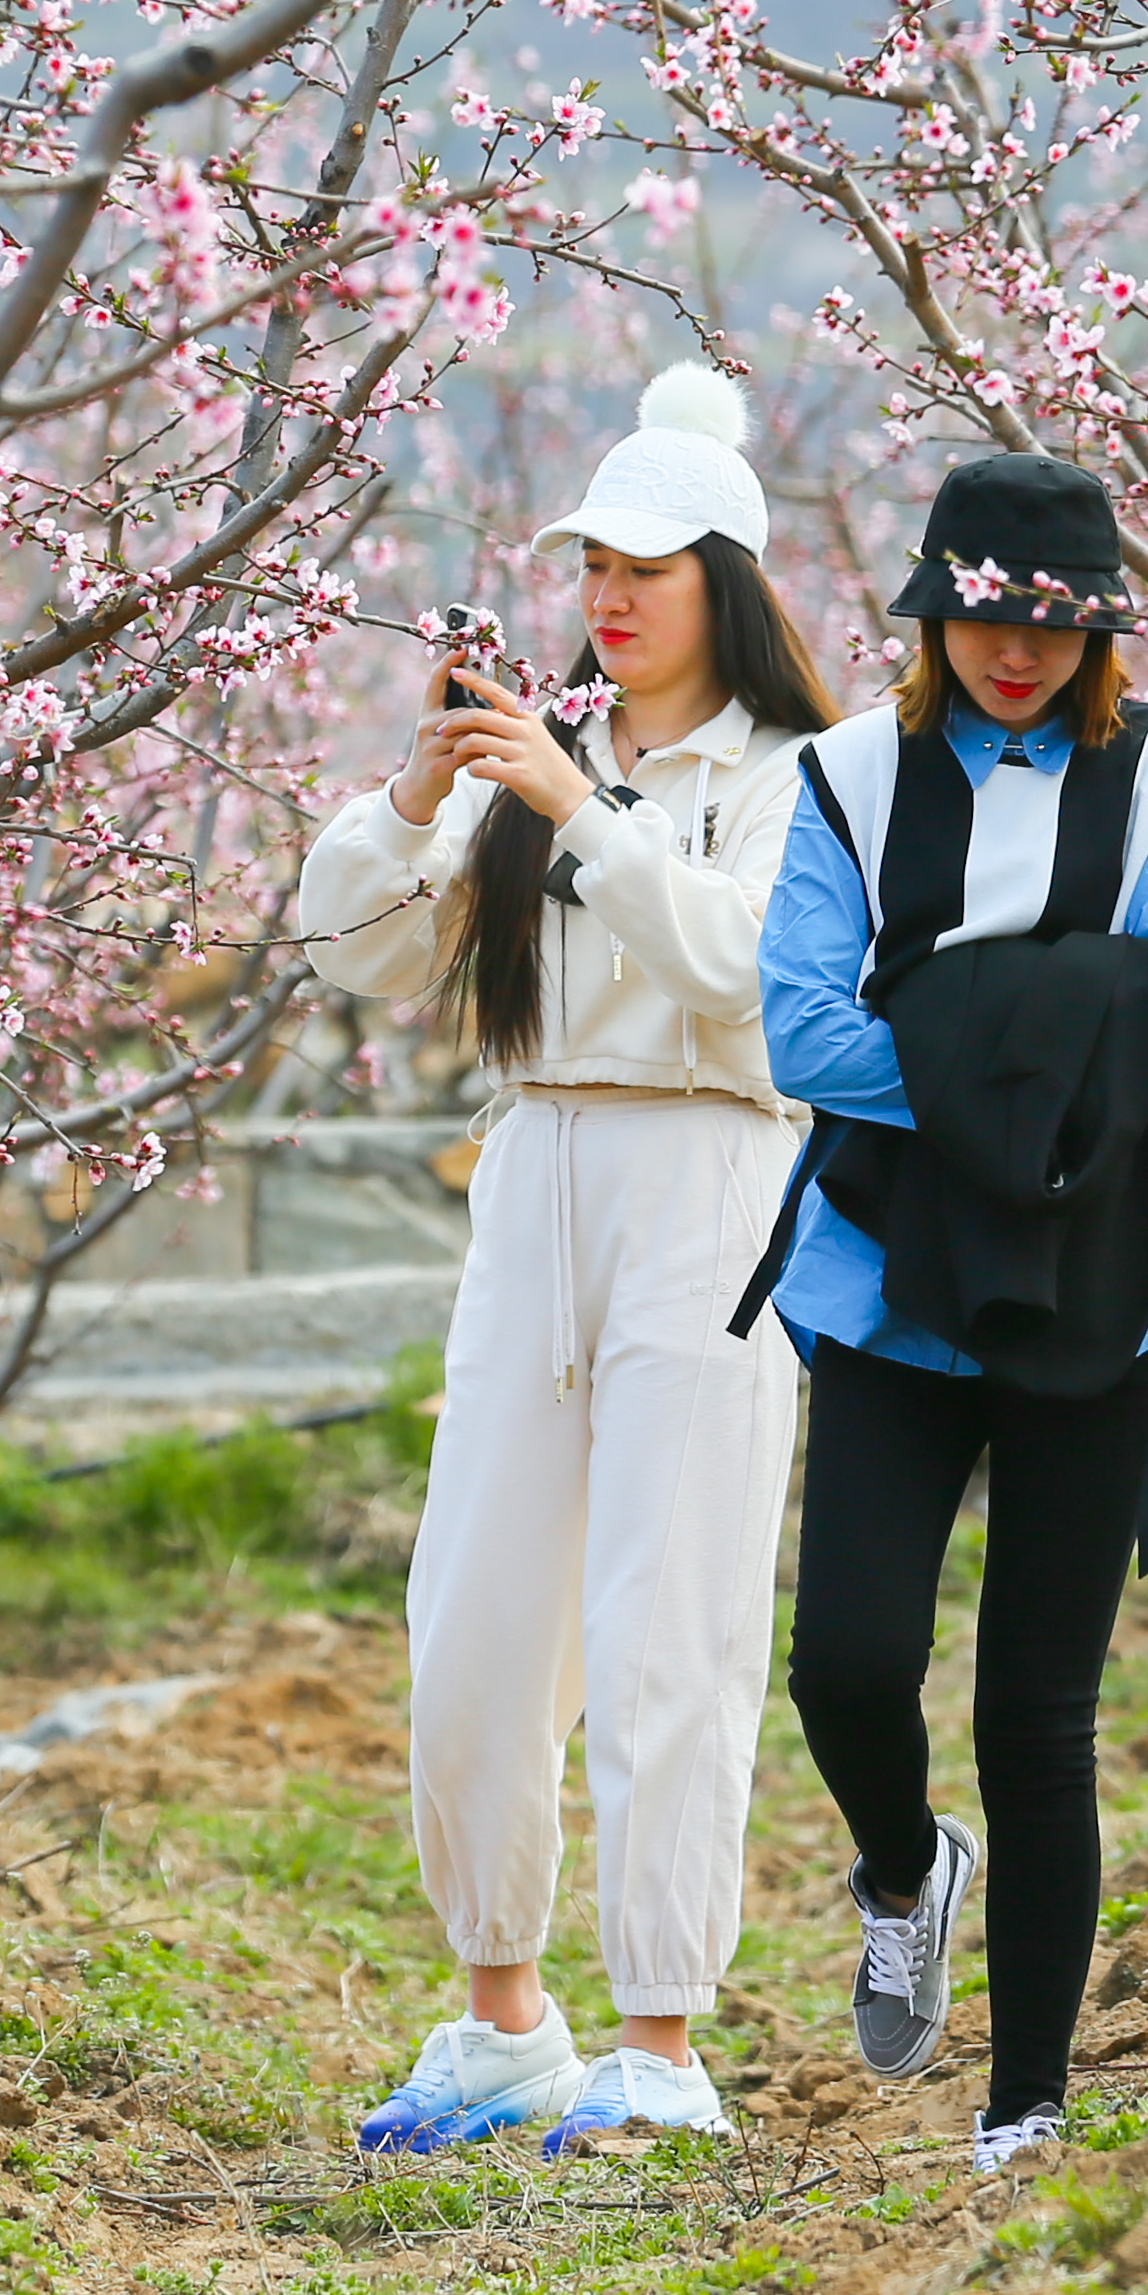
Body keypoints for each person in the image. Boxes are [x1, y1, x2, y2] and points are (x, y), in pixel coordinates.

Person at [295, 363, 838, 2158]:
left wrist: (578, 813)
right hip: (536, 1172)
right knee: (472, 1614)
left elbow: (744, 969)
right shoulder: (542, 760)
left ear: (730, 589)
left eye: (650, 568)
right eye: (592, 563)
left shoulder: (803, 775)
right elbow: (357, 957)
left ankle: (661, 2046)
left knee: (667, 1618)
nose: (608, 597)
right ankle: (501, 2019)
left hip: (711, 1177)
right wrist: (409, 793)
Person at [742, 452, 1148, 2174]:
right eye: (977, 619)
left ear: (1098, 630)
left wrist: (950, 1012)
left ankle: (1023, 2101)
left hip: (1101, 1284)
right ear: (934, 611)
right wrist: (1060, 1023)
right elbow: (800, 1037)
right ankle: (899, 1868)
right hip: (888, 1271)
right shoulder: (850, 774)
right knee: (846, 1662)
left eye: (1046, 627)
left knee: (1036, 1711)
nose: (1009, 656)